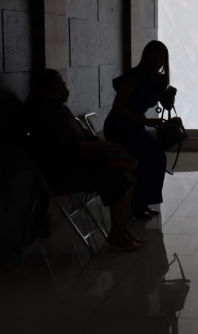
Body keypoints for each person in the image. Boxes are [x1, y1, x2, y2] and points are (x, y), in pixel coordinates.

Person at [25, 69, 144, 251]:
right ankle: (118, 233)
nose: (65, 87)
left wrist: (101, 144)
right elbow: (68, 148)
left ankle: (120, 231)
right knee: (120, 176)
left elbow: (82, 135)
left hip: (77, 164)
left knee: (124, 173)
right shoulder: (44, 116)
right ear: (46, 88)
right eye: (60, 83)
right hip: (63, 173)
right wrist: (105, 146)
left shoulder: (58, 110)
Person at [104, 41, 177, 219]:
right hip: (119, 126)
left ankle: (141, 202)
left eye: (161, 56)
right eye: (153, 54)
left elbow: (165, 105)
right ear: (146, 56)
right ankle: (138, 203)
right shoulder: (134, 77)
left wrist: (171, 96)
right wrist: (146, 120)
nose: (157, 59)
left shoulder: (158, 80)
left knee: (156, 158)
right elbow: (119, 107)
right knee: (150, 157)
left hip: (135, 125)